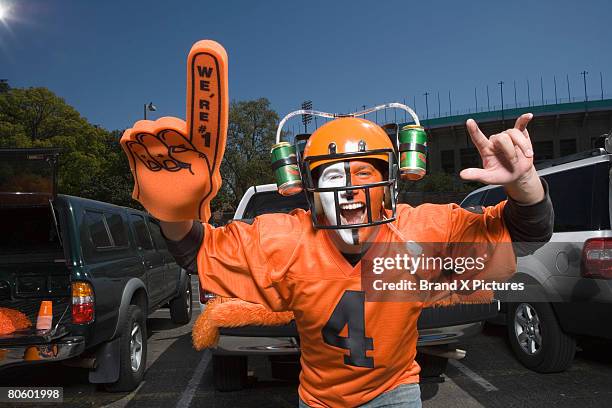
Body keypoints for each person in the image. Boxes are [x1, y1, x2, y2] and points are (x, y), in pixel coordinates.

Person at [121, 41, 553, 408]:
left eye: (365, 175)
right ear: (308, 190)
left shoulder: (421, 229)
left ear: (389, 185)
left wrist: (525, 184)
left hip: (396, 388)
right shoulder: (284, 238)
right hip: (321, 397)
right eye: (333, 178)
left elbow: (525, 234)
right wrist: (174, 212)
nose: (349, 190)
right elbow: (198, 252)